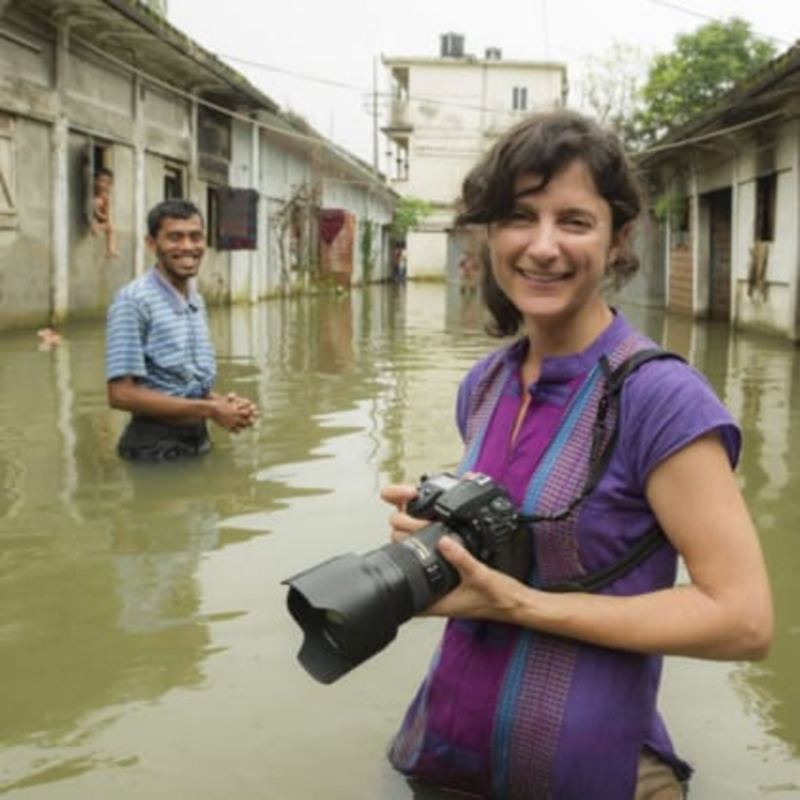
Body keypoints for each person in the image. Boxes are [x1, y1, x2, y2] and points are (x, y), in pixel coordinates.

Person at [380, 109, 773, 799]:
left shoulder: (660, 399)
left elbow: (742, 620)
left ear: (619, 239)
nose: (541, 246)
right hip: (445, 751)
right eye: (519, 217)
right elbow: (505, 558)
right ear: (489, 233)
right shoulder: (487, 384)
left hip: (590, 771)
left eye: (574, 221)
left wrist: (521, 605)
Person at [106, 199, 257, 462]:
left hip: (197, 437)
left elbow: (182, 382)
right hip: (153, 447)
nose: (187, 246)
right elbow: (120, 394)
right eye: (174, 237)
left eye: (195, 237)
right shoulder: (133, 301)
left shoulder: (194, 298)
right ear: (152, 244)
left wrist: (224, 404)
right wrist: (211, 409)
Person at [91, 167, 121, 258]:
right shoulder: (91, 194)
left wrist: (102, 217)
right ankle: (95, 228)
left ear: (110, 184)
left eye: (106, 182)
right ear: (94, 180)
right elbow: (89, 208)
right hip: (91, 220)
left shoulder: (106, 198)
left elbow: (107, 214)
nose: (102, 184)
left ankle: (110, 249)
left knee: (111, 228)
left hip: (98, 220)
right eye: (100, 181)